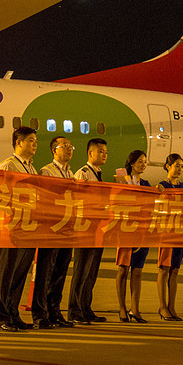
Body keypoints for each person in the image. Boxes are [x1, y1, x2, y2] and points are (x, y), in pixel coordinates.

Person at [0, 127, 40, 332]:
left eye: (35, 141)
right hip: (10, 226)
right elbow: (0, 193)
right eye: (30, 140)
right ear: (18, 142)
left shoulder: (32, 168)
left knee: (20, 272)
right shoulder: (8, 165)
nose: (34, 144)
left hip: (28, 226)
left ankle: (13, 313)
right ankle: (1, 316)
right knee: (6, 272)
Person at [68, 138, 110, 324]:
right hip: (84, 229)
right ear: (90, 153)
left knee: (91, 271)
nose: (104, 154)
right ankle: (75, 310)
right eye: (100, 151)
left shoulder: (99, 174)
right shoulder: (83, 173)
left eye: (105, 152)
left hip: (97, 229)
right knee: (81, 270)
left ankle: (86, 307)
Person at [36, 136, 77, 329]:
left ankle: (55, 311)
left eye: (71, 147)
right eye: (65, 146)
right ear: (54, 150)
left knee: (60, 272)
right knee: (46, 271)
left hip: (66, 229)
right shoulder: (47, 171)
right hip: (51, 229)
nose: (69, 149)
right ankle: (40, 313)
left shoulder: (70, 173)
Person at [114, 149, 151, 323]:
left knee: (137, 271)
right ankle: (122, 308)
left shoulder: (146, 183)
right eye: (140, 161)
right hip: (126, 230)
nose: (143, 164)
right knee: (123, 269)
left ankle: (135, 309)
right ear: (132, 162)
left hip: (141, 231)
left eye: (145, 161)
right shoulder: (122, 177)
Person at [156, 153, 183, 321]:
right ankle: (162, 306)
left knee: (175, 270)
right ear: (168, 166)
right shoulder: (162, 185)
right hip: (166, 232)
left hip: (179, 232)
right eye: (177, 166)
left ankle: (172, 306)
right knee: (164, 269)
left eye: (182, 166)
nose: (180, 169)